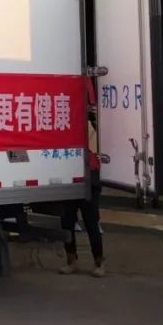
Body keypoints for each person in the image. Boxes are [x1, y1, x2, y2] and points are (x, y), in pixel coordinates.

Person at [59, 109, 105, 278]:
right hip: (70, 180)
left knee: (91, 223)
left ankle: (99, 262)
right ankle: (71, 260)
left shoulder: (90, 128)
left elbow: (94, 153)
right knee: (67, 222)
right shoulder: (65, 127)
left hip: (88, 182)